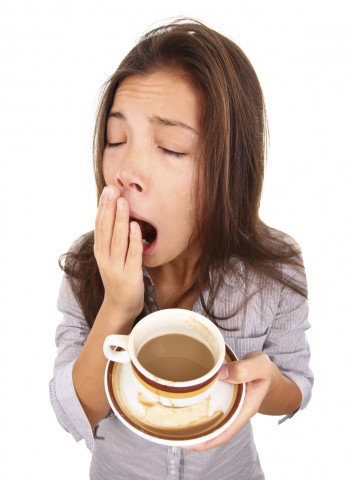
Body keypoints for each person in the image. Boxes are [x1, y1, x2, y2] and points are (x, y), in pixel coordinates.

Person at [50, 18, 313, 479]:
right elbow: (76, 411)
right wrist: (118, 305)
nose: (125, 170)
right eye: (116, 139)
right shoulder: (87, 265)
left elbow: (298, 385)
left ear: (229, 172)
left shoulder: (275, 270)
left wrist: (268, 382)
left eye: (170, 147)